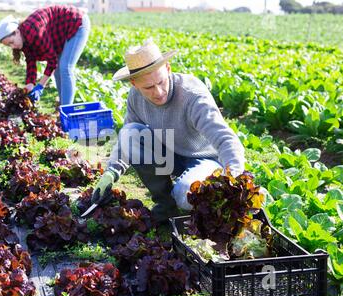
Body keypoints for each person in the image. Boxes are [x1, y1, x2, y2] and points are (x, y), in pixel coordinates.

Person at [91, 39, 246, 224]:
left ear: (168, 69)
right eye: (148, 87)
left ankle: (191, 206)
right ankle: (166, 206)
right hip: (172, 155)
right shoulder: (135, 98)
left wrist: (233, 179)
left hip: (208, 159)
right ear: (134, 83)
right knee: (130, 133)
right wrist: (111, 172)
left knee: (185, 194)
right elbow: (127, 137)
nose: (158, 92)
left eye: (161, 81)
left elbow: (226, 139)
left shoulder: (192, 95)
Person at [0, 5, 90, 105]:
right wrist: (30, 84)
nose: (13, 47)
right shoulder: (23, 39)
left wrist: (41, 86)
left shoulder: (34, 30)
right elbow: (30, 61)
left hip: (76, 22)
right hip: (61, 32)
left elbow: (52, 60)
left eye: (11, 42)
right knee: (58, 71)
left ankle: (67, 111)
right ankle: (63, 107)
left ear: (17, 32)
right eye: (9, 45)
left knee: (65, 68)